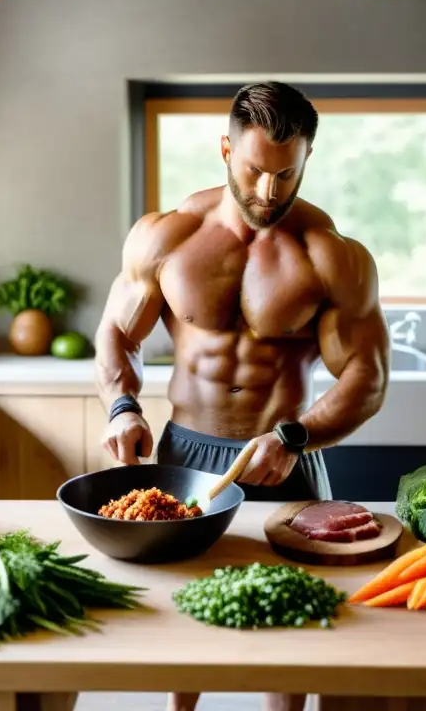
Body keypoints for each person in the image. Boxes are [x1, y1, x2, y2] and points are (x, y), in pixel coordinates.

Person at [93, 81, 391, 711]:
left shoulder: (331, 257)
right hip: (185, 454)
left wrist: (295, 436)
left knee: (292, 625)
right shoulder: (166, 237)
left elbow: (368, 377)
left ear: (308, 160)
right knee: (187, 616)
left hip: (285, 456)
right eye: (255, 169)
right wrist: (122, 406)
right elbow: (117, 333)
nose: (268, 192)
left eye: (287, 175)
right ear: (226, 148)